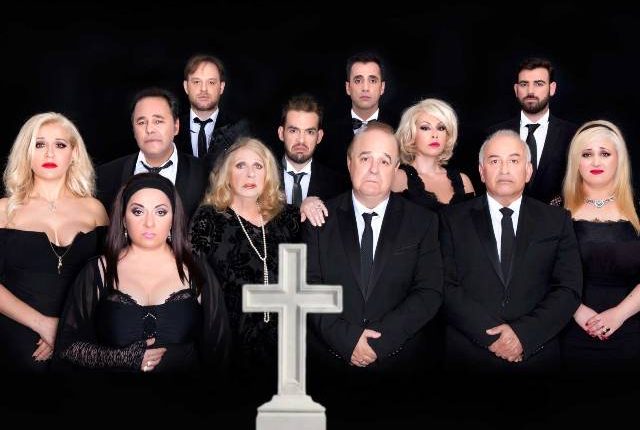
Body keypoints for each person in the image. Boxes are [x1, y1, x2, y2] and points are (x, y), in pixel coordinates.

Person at [304, 121, 443, 392]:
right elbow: (309, 289)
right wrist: (348, 340)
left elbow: (428, 292)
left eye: (384, 161)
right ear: (349, 162)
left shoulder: (423, 222)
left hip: (400, 367)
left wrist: (379, 342)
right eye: (365, 158)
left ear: (396, 168)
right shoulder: (319, 220)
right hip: (330, 367)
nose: (374, 169)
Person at [56, 173, 229, 373]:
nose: (149, 223)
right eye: (138, 211)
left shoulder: (195, 270)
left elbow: (220, 352)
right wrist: (120, 357)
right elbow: (67, 345)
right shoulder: (97, 271)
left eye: (160, 212)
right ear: (123, 218)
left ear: (174, 219)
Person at [440, 129, 582, 372]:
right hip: (468, 355)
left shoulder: (556, 220)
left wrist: (523, 335)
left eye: (514, 161)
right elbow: (444, 285)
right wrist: (494, 338)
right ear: (482, 171)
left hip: (536, 354)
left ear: (528, 171)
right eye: (495, 161)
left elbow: (568, 288)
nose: (504, 169)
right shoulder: (451, 219)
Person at [189, 137, 301, 398]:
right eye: (240, 166)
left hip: (285, 345)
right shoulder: (209, 218)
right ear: (227, 174)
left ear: (268, 174)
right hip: (229, 341)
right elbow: (191, 279)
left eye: (258, 166)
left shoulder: (289, 217)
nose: (250, 174)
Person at [0, 112, 108, 372]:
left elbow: (111, 276)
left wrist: (67, 328)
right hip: (15, 339)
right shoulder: (3, 210)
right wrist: (43, 324)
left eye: (60, 145)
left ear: (74, 154)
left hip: (81, 335)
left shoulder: (94, 209)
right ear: (26, 153)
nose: (49, 153)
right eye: (39, 144)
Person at [557, 120, 640, 372]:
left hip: (632, 333)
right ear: (576, 161)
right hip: (567, 331)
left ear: (619, 159)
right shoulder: (555, 210)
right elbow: (540, 272)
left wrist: (619, 314)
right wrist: (576, 311)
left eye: (604, 154)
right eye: (586, 154)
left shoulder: (638, 209)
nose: (595, 162)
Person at [97, 87, 207, 220]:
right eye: (141, 122)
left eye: (158, 121)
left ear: (176, 126)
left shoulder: (205, 173)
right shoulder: (105, 176)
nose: (149, 129)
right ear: (133, 130)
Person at [488, 57, 578, 204]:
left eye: (538, 84)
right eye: (524, 84)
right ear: (516, 90)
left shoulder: (573, 135)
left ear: (552, 88)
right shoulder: (494, 134)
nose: (530, 91)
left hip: (555, 216)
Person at [317, 51, 398, 175]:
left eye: (372, 80)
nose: (365, 88)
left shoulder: (398, 129)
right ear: (348, 87)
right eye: (358, 80)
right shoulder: (329, 130)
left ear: (382, 87)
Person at [392, 98, 475, 211]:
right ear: (411, 134)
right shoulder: (397, 178)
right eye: (425, 128)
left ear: (448, 135)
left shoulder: (463, 181)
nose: (435, 135)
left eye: (441, 128)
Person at [175, 54, 251, 170]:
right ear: (186, 87)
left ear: (221, 87)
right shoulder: (171, 128)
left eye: (211, 82)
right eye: (196, 82)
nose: (203, 89)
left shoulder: (239, 129)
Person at [276, 93, 349, 213]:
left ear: (319, 136)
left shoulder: (338, 186)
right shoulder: (262, 179)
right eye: (293, 131)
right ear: (281, 133)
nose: (301, 140)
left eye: (309, 132)